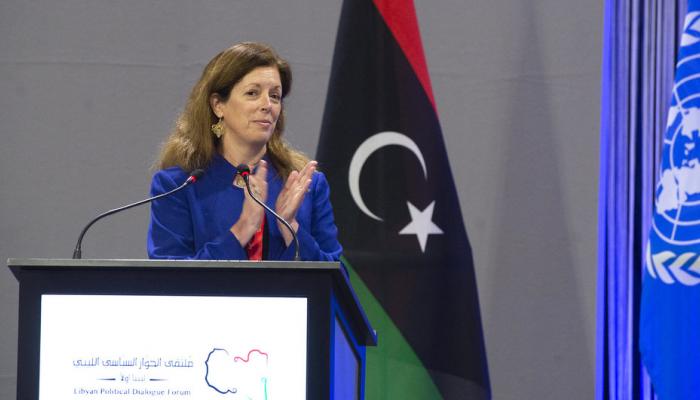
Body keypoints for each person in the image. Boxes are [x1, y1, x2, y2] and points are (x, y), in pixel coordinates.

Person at [147, 42, 342, 261]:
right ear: (218, 105)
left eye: (275, 96)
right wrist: (242, 229)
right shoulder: (178, 185)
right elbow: (170, 275)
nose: (267, 105)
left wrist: (291, 227)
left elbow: (336, 276)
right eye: (252, 93)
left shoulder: (305, 186)